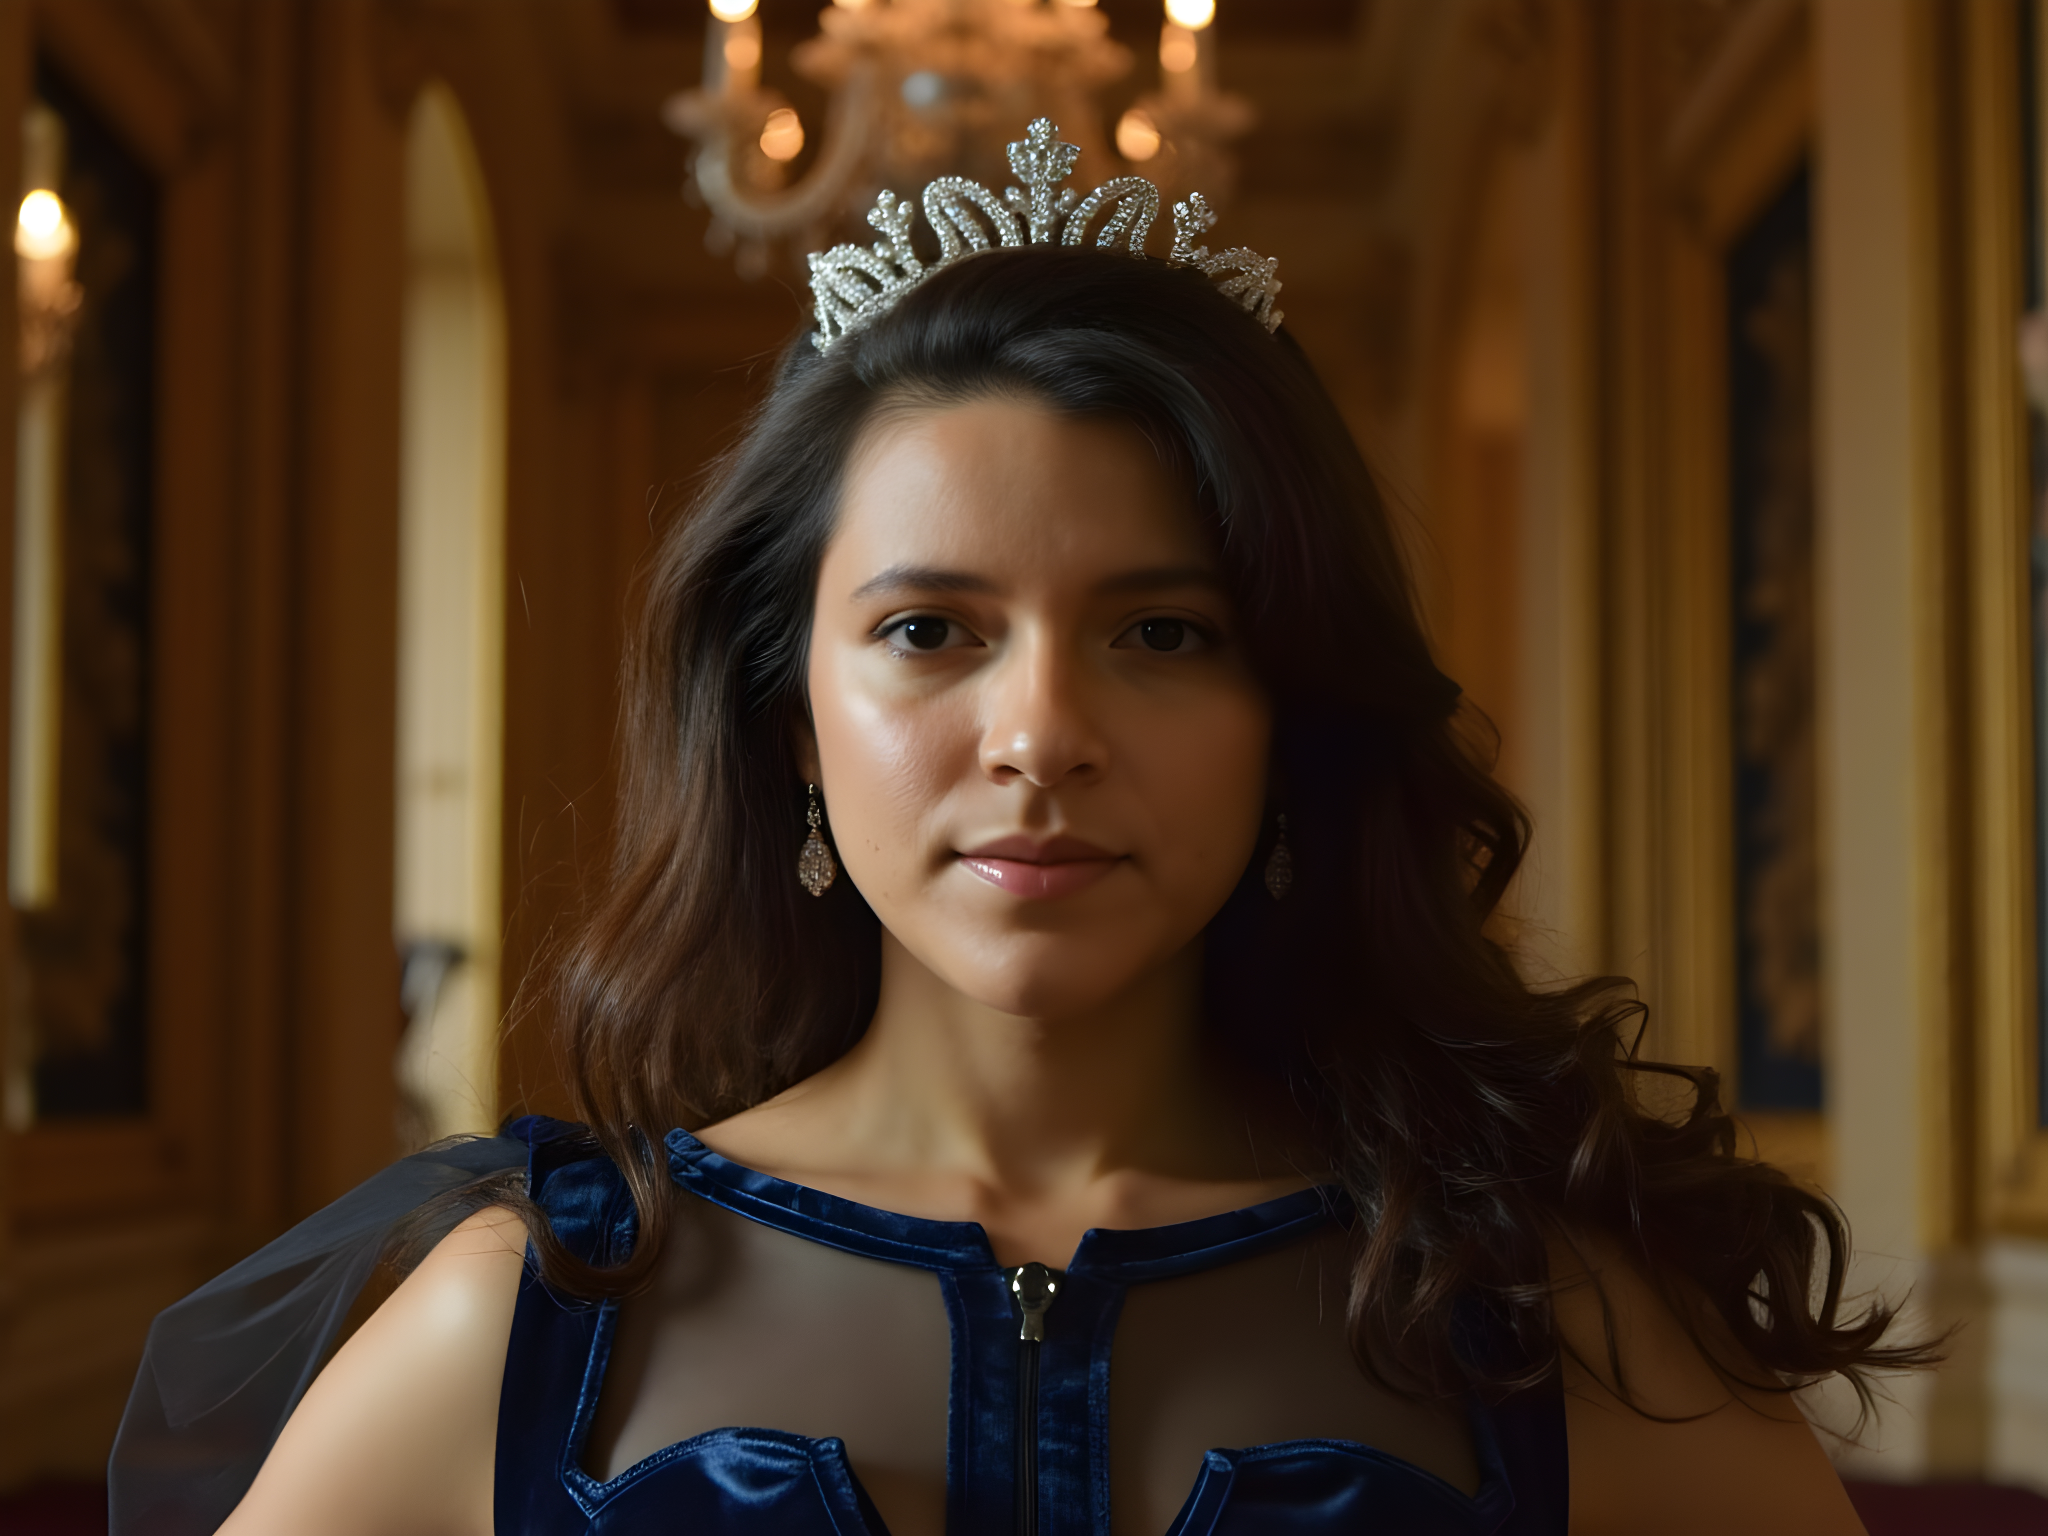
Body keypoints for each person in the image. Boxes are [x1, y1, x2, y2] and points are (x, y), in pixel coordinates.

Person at [117, 123, 1920, 1536]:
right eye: (930, 632)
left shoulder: (1535, 1316)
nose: (1043, 733)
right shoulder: (532, 1313)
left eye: (1164, 633)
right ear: (788, 725)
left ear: (1290, 715)